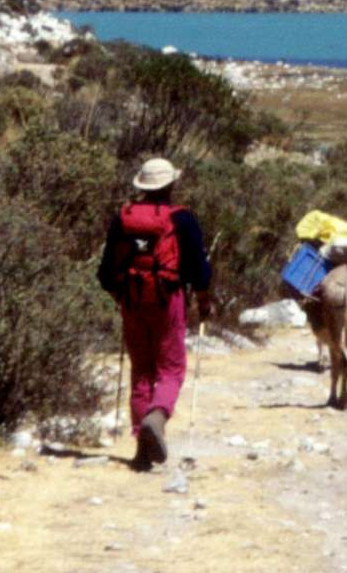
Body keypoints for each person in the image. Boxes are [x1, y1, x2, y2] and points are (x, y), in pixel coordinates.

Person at [98, 156, 212, 471]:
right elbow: (199, 268)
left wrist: (122, 295)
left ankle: (141, 450)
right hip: (168, 301)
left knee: (142, 372)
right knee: (171, 368)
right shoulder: (182, 219)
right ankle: (158, 416)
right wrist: (204, 301)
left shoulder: (124, 218)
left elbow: (106, 272)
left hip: (132, 302)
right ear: (171, 185)